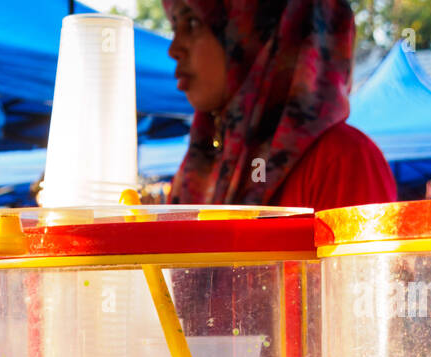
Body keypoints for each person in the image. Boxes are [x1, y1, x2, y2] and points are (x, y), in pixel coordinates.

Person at [165, 0, 395, 210]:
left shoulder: (343, 162)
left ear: (260, 34)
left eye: (193, 23)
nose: (173, 50)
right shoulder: (201, 165)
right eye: (175, 27)